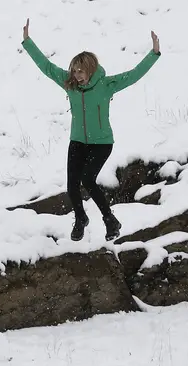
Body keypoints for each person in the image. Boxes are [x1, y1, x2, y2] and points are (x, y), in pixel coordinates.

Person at [21, 19, 161, 241]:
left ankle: (110, 220)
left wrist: (154, 53)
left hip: (102, 143)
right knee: (71, 185)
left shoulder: (106, 85)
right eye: (74, 71)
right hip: (77, 141)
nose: (77, 75)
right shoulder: (70, 85)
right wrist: (27, 41)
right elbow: (46, 67)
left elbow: (134, 75)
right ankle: (81, 219)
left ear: (90, 69)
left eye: (80, 71)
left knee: (87, 179)